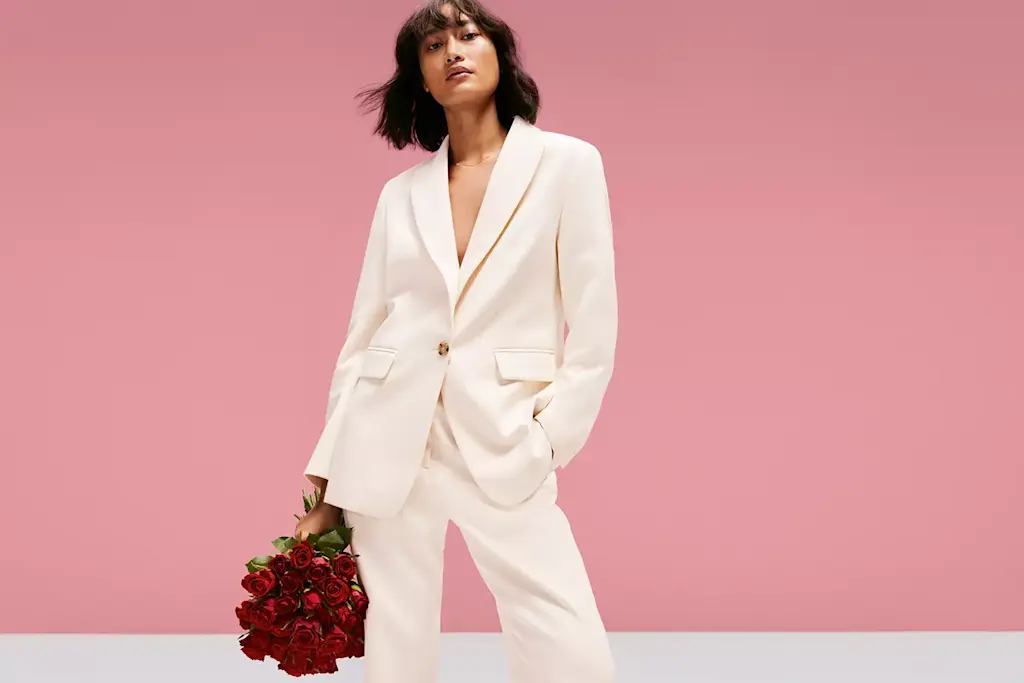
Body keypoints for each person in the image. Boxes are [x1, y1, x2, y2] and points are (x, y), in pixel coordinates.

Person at [294, 1, 618, 680]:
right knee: (397, 644)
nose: (454, 50)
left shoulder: (567, 165)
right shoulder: (400, 194)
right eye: (434, 44)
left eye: (469, 34)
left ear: (501, 51)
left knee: (566, 640)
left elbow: (593, 327)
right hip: (387, 444)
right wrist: (326, 473)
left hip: (503, 438)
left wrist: (550, 438)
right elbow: (365, 337)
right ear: (421, 75)